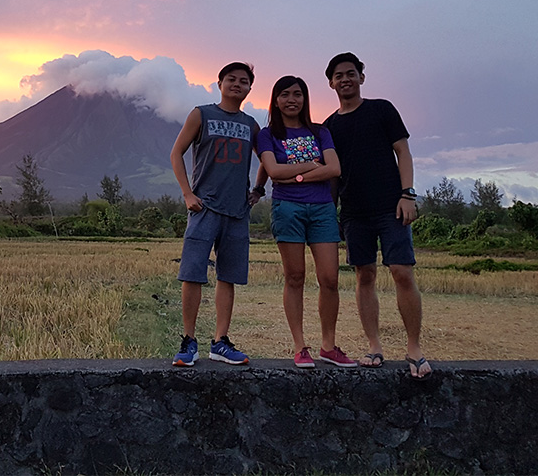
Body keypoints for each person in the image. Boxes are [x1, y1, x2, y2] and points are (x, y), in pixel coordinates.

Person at [323, 53, 433, 380]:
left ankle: (414, 347)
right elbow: (332, 176)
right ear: (330, 83)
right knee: (364, 275)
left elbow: (403, 152)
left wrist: (408, 193)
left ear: (361, 78)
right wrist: (331, 214)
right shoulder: (329, 126)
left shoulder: (382, 109)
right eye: (339, 75)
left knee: (402, 272)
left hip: (391, 207)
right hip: (353, 212)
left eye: (351, 73)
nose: (345, 79)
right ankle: (374, 345)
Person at [256, 75, 357, 369]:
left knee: (330, 278)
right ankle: (300, 347)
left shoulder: (320, 131)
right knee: (295, 277)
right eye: (285, 94)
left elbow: (334, 168)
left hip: (322, 208)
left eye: (297, 94)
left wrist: (297, 175)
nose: (292, 99)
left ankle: (328, 345)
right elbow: (273, 171)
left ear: (305, 99)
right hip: (287, 208)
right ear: (275, 100)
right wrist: (312, 166)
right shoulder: (267, 134)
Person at [170, 62, 267, 366]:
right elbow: (176, 153)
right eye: (231, 79)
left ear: (250, 88)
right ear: (220, 83)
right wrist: (187, 194)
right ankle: (188, 341)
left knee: (228, 277)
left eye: (244, 81)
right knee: (193, 273)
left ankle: (220, 342)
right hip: (204, 207)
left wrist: (259, 190)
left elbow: (267, 159)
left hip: (237, 212)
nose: (237, 84)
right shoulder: (201, 113)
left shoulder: (252, 125)